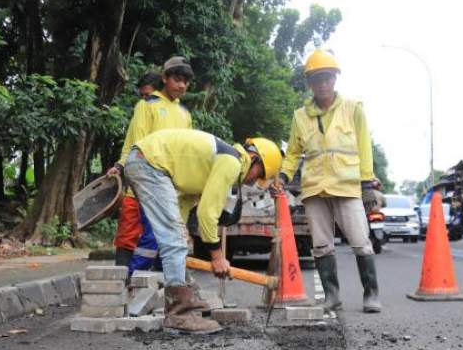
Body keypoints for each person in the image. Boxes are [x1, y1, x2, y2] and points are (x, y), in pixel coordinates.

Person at [125, 128, 281, 334]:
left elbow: (185, 200)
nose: (252, 181)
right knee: (175, 243)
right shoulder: (232, 162)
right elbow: (207, 215)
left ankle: (188, 298)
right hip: (149, 163)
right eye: (259, 175)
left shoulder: (214, 162)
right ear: (254, 158)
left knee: (177, 241)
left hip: (144, 160)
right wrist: (217, 256)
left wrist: (180, 231)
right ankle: (179, 315)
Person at [275, 49, 382, 314]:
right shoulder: (300, 116)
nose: (322, 83)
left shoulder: (353, 108)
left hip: (347, 187)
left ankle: (371, 294)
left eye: (327, 77)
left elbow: (364, 147)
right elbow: (293, 154)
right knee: (321, 245)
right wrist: (284, 175)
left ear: (335, 79)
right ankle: (331, 296)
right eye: (316, 78)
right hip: (315, 189)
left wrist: (366, 183)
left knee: (360, 240)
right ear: (309, 83)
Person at [108, 57, 194, 269]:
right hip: (142, 182)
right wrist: (121, 166)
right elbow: (135, 143)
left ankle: (156, 289)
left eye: (186, 81)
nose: (181, 85)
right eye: (177, 79)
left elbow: (186, 152)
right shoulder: (147, 106)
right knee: (129, 233)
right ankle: (122, 282)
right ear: (165, 78)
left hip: (170, 188)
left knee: (162, 238)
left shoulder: (185, 114)